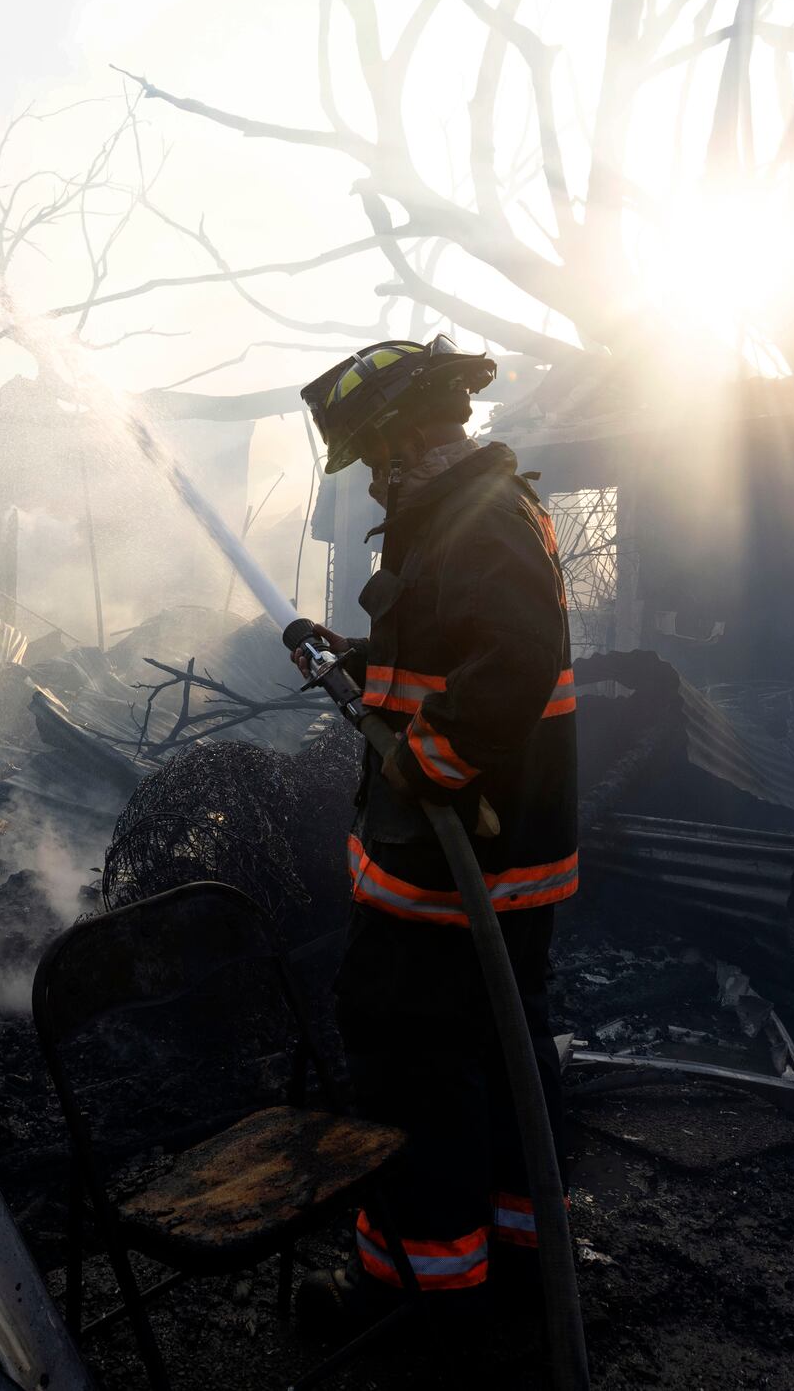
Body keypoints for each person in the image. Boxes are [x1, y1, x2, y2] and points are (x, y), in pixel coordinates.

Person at [289, 336, 579, 1319]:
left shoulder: (478, 524)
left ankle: (418, 1287)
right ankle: (509, 1250)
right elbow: (456, 647)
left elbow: (511, 668)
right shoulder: (469, 515)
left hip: (454, 872)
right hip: (500, 870)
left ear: (412, 432)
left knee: (408, 1057)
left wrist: (425, 764)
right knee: (498, 1052)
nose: (375, 481)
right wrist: (364, 656)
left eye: (377, 457)